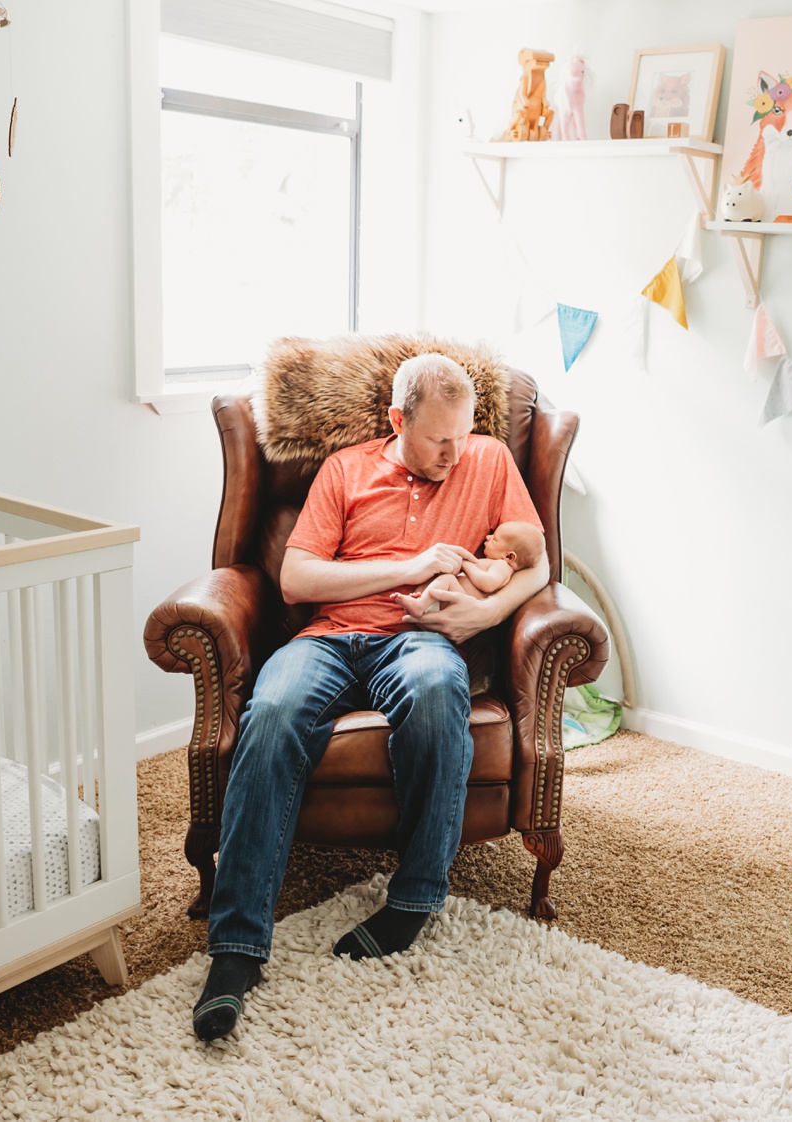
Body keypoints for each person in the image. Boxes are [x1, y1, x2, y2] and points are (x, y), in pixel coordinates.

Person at [192, 353, 549, 1042]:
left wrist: (485, 614)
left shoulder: (490, 460)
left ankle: (413, 899)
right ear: (397, 420)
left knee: (439, 688)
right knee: (268, 715)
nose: (456, 451)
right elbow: (296, 579)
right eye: (438, 438)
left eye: (466, 432)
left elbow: (540, 566)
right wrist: (412, 566)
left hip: (419, 639)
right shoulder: (347, 468)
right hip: (328, 638)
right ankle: (235, 951)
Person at [390, 521, 545, 619]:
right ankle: (420, 600)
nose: (488, 537)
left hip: (459, 603)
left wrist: (466, 564)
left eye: (495, 539)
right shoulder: (496, 562)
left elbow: (488, 584)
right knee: (440, 579)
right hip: (449, 599)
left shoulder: (502, 567)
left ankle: (419, 605)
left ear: (509, 557)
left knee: (448, 580)